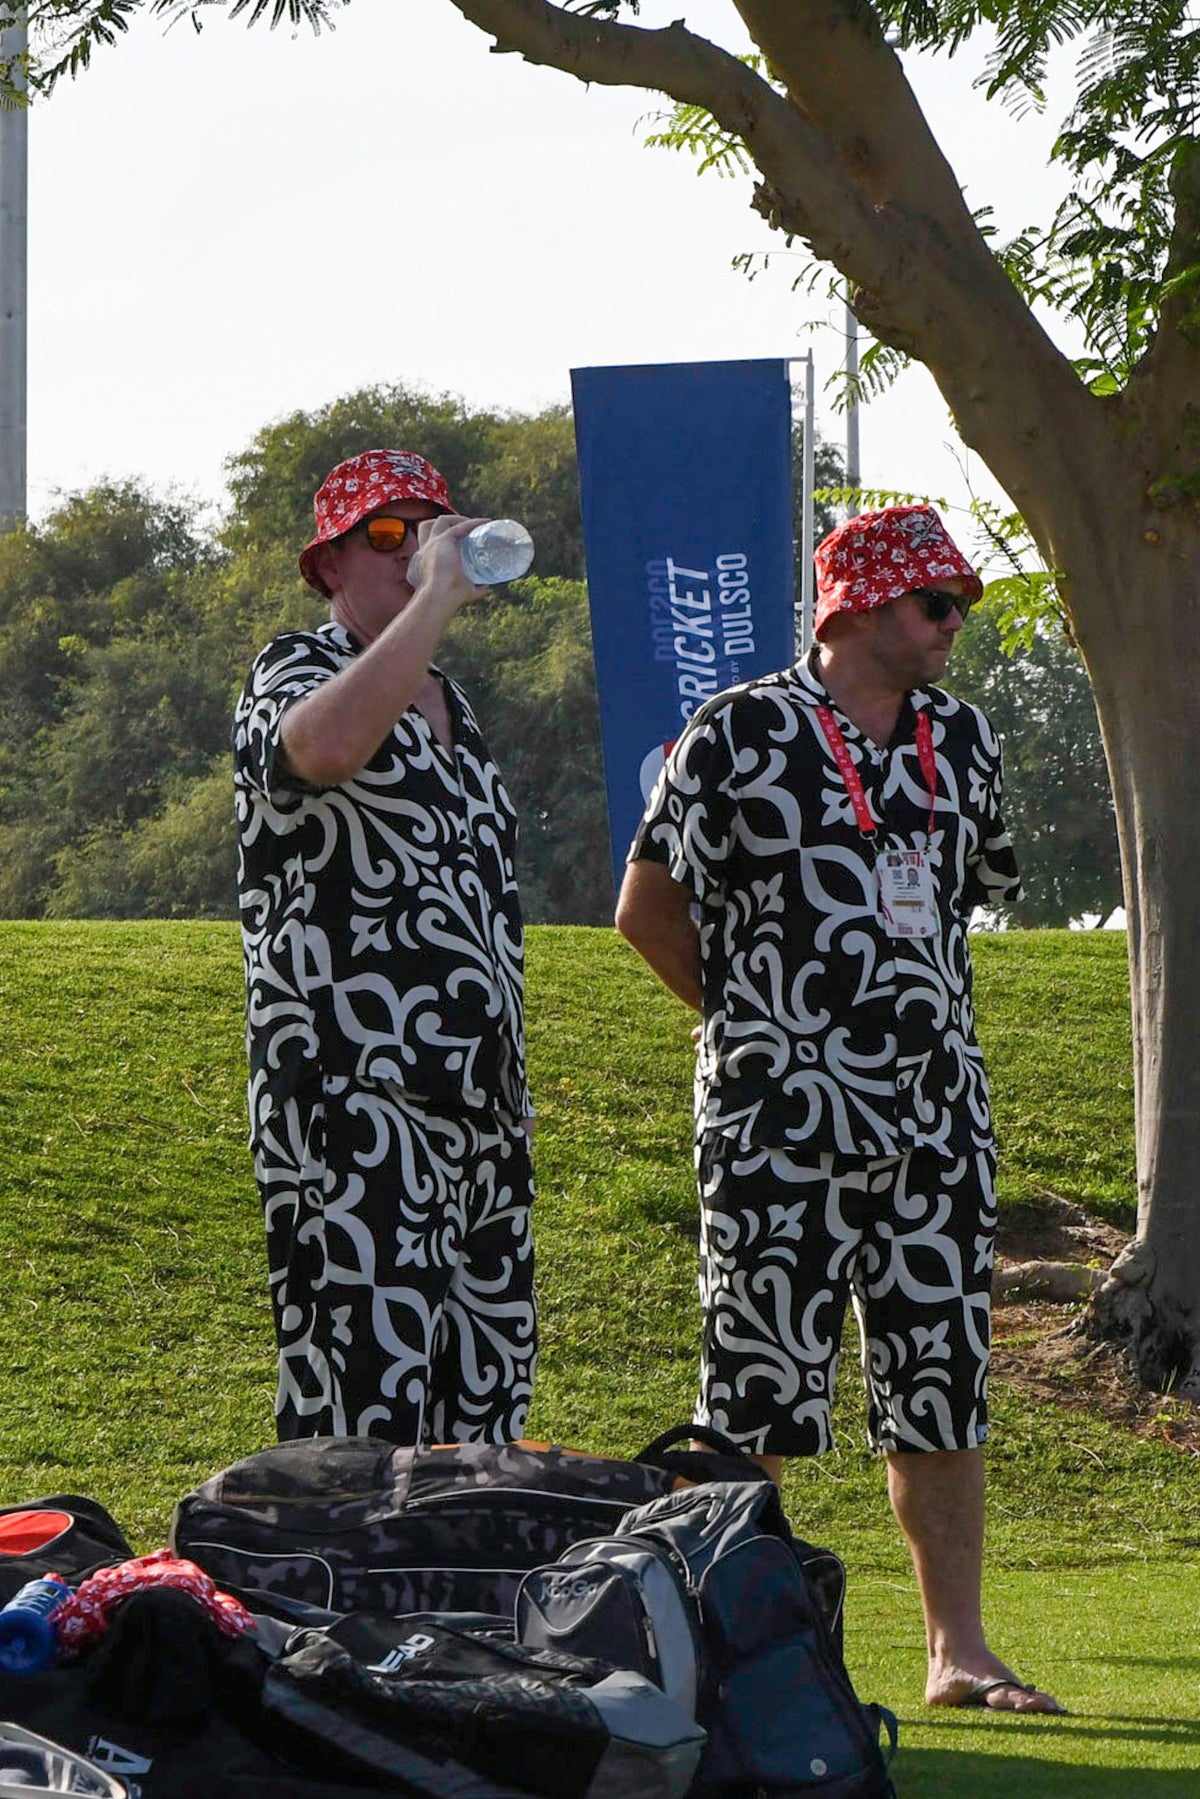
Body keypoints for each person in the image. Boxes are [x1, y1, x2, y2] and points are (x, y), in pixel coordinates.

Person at [616, 503, 1063, 1714]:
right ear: (858, 607)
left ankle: (957, 1650)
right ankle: (701, 1654)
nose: (954, 623)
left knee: (942, 1378)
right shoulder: (742, 729)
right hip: (775, 1123)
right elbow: (647, 908)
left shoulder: (961, 739)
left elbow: (963, 904)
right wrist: (758, 1033)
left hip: (935, 1124)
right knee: (753, 1383)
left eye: (958, 602)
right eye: (935, 604)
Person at [233, 448, 536, 1446]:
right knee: (362, 1392)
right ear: (328, 564)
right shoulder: (296, 665)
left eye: (430, 530)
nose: (414, 554)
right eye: (388, 535)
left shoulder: (460, 708)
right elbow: (319, 750)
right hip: (352, 1089)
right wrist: (430, 604)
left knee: (482, 1394)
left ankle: (462, 1600)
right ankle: (336, 1597)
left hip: (477, 1104)